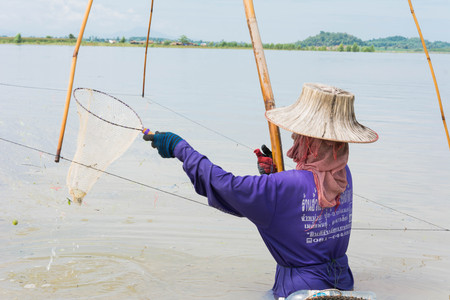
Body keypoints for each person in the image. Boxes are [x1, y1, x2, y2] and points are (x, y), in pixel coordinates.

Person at [143, 83, 378, 299]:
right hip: (343, 283)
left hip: (299, 291)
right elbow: (298, 207)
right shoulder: (344, 176)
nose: (294, 137)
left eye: (300, 135)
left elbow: (223, 185)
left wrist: (179, 148)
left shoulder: (283, 186)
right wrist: (272, 177)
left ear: (312, 142)